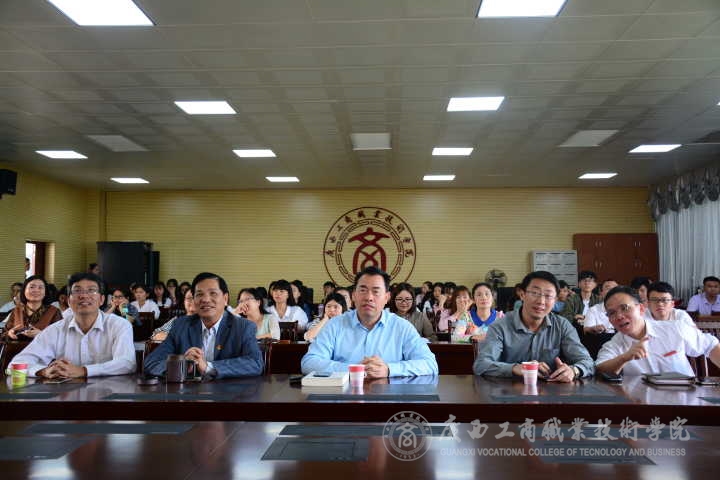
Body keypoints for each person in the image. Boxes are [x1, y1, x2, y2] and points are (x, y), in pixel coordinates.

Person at [301, 266, 438, 378]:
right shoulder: (335, 325)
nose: (369, 297)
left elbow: (430, 364)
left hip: (389, 398)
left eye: (376, 291)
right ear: (354, 295)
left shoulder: (402, 327)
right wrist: (354, 369)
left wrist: (389, 369)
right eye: (363, 290)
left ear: (387, 297)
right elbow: (309, 363)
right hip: (343, 397)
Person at [8, 272, 136, 378]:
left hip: (109, 393)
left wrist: (84, 371)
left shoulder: (119, 325)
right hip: (65, 395)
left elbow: (127, 363)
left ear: (101, 300)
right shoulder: (56, 329)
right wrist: (42, 371)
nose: (84, 296)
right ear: (68, 301)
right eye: (77, 291)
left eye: (91, 290)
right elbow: (14, 365)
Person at [474, 271, 594, 381]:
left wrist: (574, 370)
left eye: (548, 296)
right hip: (509, 392)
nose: (541, 301)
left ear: (555, 300)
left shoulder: (562, 326)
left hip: (552, 392)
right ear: (522, 294)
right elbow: (481, 365)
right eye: (535, 293)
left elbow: (588, 362)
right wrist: (515, 368)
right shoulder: (500, 326)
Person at [144, 272, 263, 379]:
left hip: (229, 394)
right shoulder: (181, 325)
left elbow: (255, 363)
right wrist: (183, 365)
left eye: (213, 293)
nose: (205, 299)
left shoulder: (243, 327)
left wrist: (208, 367)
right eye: (199, 294)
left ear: (225, 299)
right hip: (188, 393)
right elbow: (151, 363)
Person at [596, 286, 720, 376]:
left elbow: (711, 345)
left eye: (624, 308)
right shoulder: (614, 344)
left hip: (685, 398)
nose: (619, 316)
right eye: (612, 313)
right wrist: (624, 358)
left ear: (641, 309)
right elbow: (600, 369)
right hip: (642, 402)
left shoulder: (674, 328)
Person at [3, 275, 62, 340]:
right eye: (32, 287)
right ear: (24, 291)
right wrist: (9, 333)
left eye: (40, 287)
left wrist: (41, 334)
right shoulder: (17, 310)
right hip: (17, 346)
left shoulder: (54, 312)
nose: (36, 290)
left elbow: (61, 337)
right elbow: (3, 333)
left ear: (45, 292)